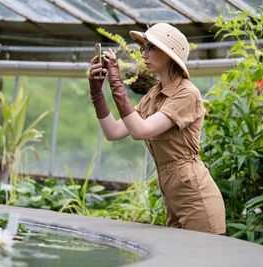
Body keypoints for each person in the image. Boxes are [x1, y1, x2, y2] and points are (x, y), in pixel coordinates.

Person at [88, 23, 226, 234]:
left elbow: (140, 131)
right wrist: (97, 92)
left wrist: (116, 82)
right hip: (173, 197)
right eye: (143, 47)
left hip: (196, 197)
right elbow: (113, 132)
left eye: (150, 47)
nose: (143, 53)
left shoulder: (187, 94)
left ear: (170, 54)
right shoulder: (154, 94)